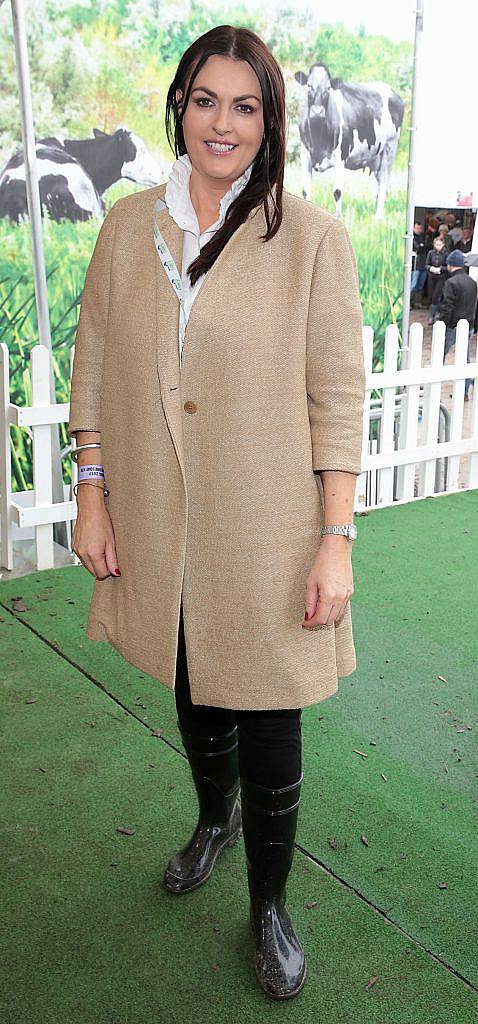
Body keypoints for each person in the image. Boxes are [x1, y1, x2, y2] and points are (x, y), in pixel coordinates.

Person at [67, 25, 365, 1001]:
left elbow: (337, 397)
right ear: (179, 107)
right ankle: (213, 816)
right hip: (158, 512)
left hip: (268, 524)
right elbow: (97, 366)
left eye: (245, 105)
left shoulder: (311, 238)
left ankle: (269, 902)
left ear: (270, 120)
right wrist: (93, 494)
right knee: (192, 679)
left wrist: (335, 539)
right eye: (206, 99)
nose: (222, 122)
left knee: (269, 708)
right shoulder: (126, 228)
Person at [437, 249, 477, 399]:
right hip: (468, 325)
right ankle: (465, 390)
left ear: (451, 265)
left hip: (452, 326)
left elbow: (448, 306)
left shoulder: (451, 282)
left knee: (439, 354)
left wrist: (441, 324)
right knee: (464, 358)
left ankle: (434, 383)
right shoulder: (472, 282)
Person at [425, 236, 448, 325]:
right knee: (431, 296)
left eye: (440, 244)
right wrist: (431, 268)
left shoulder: (446, 254)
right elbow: (426, 264)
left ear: (443, 245)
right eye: (436, 244)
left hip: (441, 277)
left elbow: (448, 267)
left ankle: (433, 315)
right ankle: (435, 313)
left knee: (437, 296)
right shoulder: (431, 253)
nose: (438, 246)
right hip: (432, 277)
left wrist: (440, 269)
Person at [411, 221, 428, 307]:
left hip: (423, 263)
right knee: (413, 285)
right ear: (413, 228)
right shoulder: (411, 238)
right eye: (417, 228)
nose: (419, 230)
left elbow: (425, 248)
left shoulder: (424, 237)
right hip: (415, 264)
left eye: (420, 228)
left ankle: (417, 302)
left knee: (420, 285)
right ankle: (410, 303)